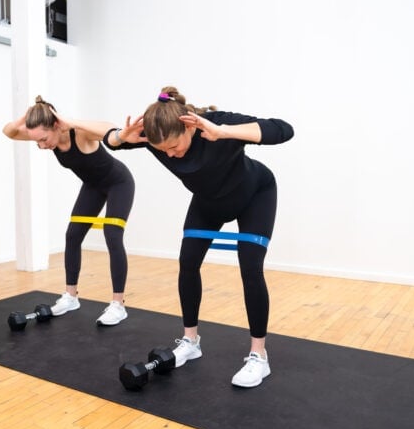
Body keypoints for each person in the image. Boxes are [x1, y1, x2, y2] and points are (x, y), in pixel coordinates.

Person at [105, 86, 294, 387]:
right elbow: (111, 141)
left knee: (250, 267)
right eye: (162, 150)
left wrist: (224, 132)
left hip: (255, 193)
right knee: (188, 262)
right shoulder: (158, 138)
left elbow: (284, 130)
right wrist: (120, 137)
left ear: (187, 127)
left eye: (173, 146)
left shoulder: (215, 124)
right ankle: (190, 341)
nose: (169, 154)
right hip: (209, 202)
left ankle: (259, 356)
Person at [2, 96, 135, 326]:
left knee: (112, 235)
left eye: (43, 139)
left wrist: (72, 122)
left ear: (56, 125)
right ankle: (70, 297)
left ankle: (118, 305)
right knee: (72, 235)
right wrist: (26, 116)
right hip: (93, 186)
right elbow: (9, 132)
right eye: (37, 143)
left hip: (118, 182)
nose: (43, 147)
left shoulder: (79, 134)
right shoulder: (45, 137)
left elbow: (111, 129)